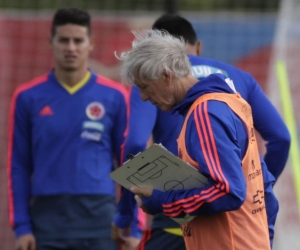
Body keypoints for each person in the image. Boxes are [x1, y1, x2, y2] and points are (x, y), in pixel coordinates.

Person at [112, 15, 290, 250]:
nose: (143, 97)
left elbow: (228, 192)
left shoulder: (205, 113)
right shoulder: (227, 101)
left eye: (144, 87)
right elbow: (263, 184)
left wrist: (162, 201)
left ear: (166, 75)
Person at [7, 7, 148, 250]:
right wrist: (21, 227)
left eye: (77, 40)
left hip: (100, 220)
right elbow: (19, 165)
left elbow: (129, 162)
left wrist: (134, 226)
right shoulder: (27, 96)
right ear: (51, 42)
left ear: (90, 43)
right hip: (47, 222)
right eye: (63, 40)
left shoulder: (114, 96)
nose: (70, 47)